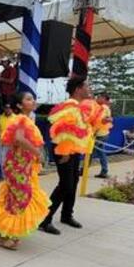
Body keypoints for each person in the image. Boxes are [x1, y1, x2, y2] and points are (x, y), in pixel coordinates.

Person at [0, 92, 50, 249]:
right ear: (19, 105)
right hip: (17, 167)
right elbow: (19, 139)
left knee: (15, 199)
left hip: (22, 167)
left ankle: (3, 235)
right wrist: (37, 152)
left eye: (33, 98)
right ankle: (9, 234)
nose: (33, 101)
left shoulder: (26, 120)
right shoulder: (20, 119)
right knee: (20, 199)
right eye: (28, 99)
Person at [38, 76, 93, 235]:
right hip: (65, 149)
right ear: (78, 89)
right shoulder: (70, 107)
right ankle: (45, 219)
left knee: (74, 182)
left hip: (73, 150)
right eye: (86, 86)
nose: (89, 89)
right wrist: (66, 151)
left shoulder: (79, 107)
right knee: (66, 185)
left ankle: (67, 215)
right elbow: (63, 130)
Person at [92, 93, 114, 178]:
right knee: (101, 153)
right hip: (103, 133)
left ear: (104, 98)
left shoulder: (103, 108)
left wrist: (106, 120)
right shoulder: (106, 108)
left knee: (90, 152)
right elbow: (107, 119)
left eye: (99, 97)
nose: (97, 98)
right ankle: (104, 171)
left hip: (99, 134)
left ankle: (84, 170)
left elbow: (102, 120)